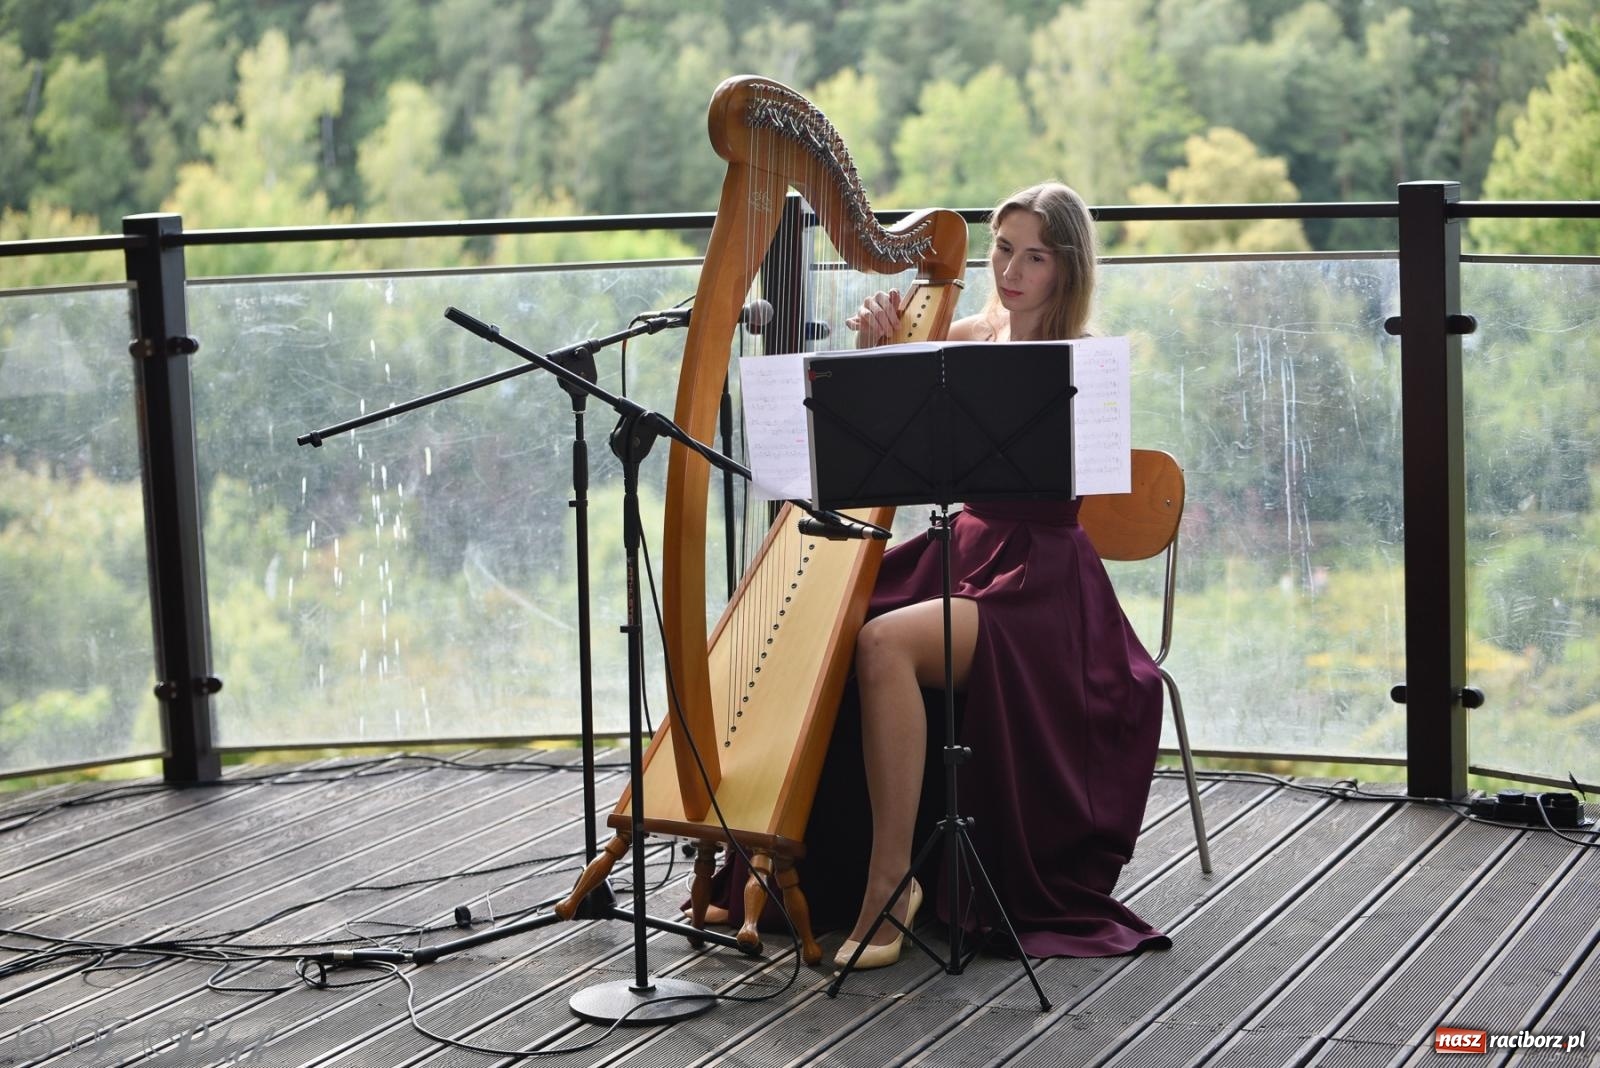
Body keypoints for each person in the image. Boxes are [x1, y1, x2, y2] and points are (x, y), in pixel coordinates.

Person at [704, 181, 1171, 967]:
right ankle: (792, 863)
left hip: (1041, 591)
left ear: (1067, 270)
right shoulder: (968, 334)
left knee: (885, 643)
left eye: (1035, 256)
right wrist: (876, 349)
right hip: (965, 553)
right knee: (825, 630)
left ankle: (892, 887)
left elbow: (1077, 484)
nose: (1012, 270)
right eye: (1002, 249)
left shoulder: (1084, 360)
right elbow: (871, 426)